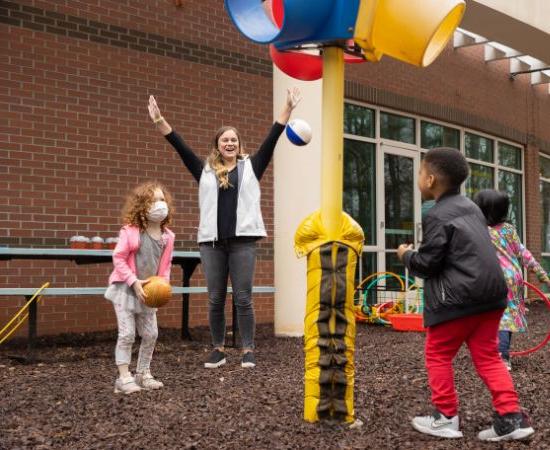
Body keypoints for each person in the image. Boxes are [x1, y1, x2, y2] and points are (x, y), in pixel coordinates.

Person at [148, 88, 301, 369]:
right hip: (212, 244)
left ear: (239, 144)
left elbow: (272, 137)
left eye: (233, 140)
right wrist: (160, 121)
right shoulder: (203, 170)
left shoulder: (252, 166)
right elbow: (179, 146)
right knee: (215, 298)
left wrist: (287, 109)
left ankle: (247, 350)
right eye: (224, 140)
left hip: (243, 242)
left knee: (243, 298)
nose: (229, 143)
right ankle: (217, 349)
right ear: (217, 145)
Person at [396, 148, 534, 442]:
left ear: (431, 179)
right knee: (488, 356)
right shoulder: (472, 208)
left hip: (459, 299)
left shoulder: (437, 214)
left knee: (438, 353)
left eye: (420, 172)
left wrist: (407, 255)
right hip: (492, 296)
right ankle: (510, 418)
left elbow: (428, 264)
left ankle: (445, 417)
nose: (419, 178)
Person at [105, 181, 175, 394]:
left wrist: (162, 288)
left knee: (151, 334)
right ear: (142, 206)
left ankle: (143, 373)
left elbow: (165, 267)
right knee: (127, 334)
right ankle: (123, 377)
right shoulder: (131, 231)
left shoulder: (167, 237)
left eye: (162, 199)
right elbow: (119, 258)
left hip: (148, 294)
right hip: (126, 290)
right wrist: (133, 282)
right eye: (153, 200)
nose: (159, 204)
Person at [474, 189, 550, 370]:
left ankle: (501, 356)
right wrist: (542, 275)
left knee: (498, 317)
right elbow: (524, 254)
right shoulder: (509, 230)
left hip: (493, 279)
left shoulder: (480, 231)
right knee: (507, 316)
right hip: (514, 280)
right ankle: (501, 352)